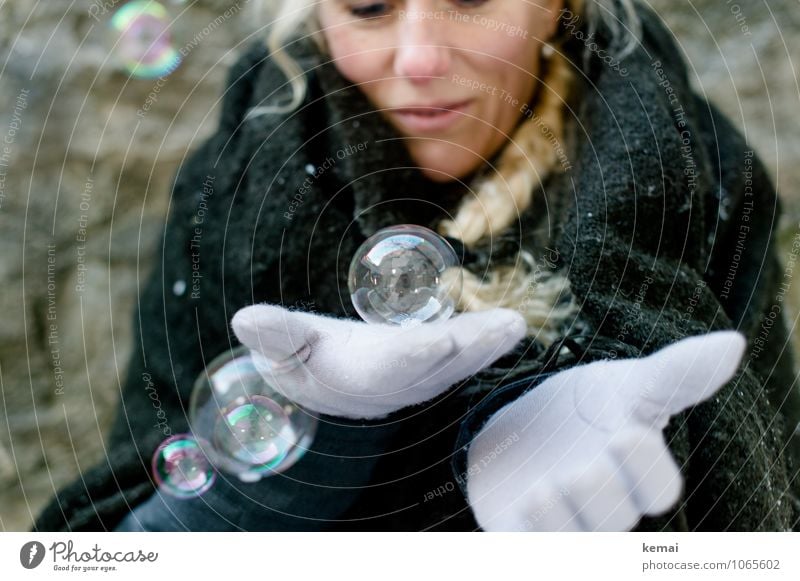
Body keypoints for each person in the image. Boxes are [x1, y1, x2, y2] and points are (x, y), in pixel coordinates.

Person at [35, 0, 800, 532]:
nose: (422, 58)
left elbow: (759, 515)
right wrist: (333, 427)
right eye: (369, 6)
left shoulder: (697, 177)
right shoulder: (237, 184)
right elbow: (138, 536)